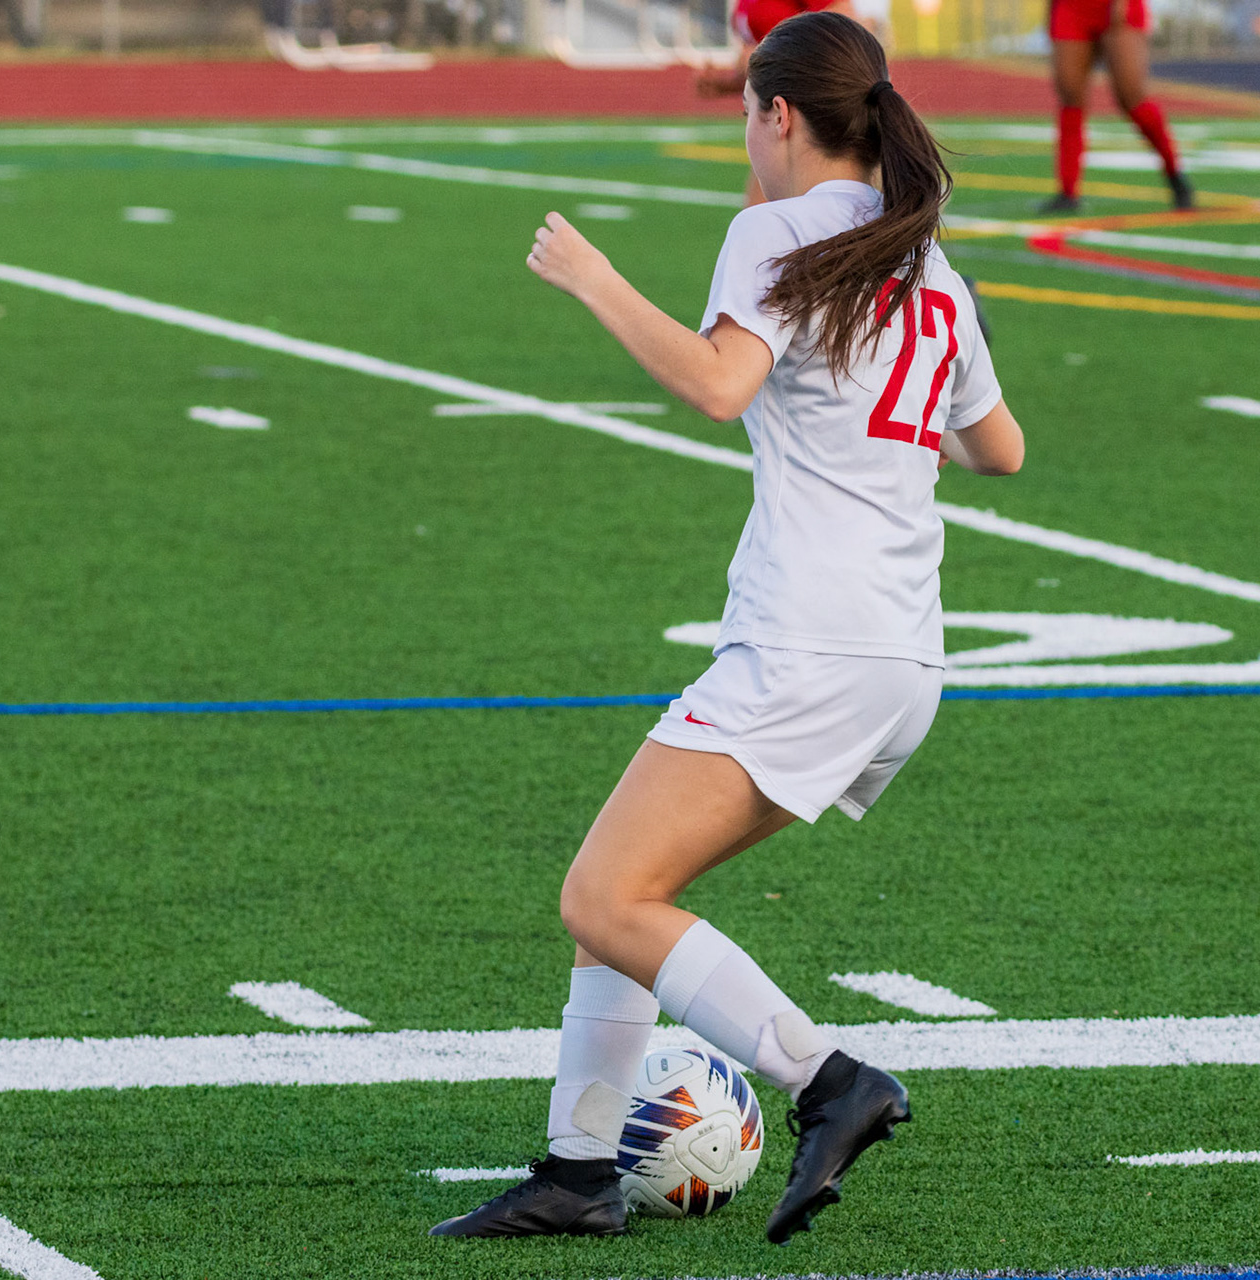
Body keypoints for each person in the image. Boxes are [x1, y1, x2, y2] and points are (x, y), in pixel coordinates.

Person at [428, 10, 1024, 1245]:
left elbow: (717, 383)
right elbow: (1001, 450)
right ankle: (578, 1170)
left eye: (750, 118)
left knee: (601, 894)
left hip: (809, 641)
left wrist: (596, 280)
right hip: (903, 656)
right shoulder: (925, 261)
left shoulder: (777, 232)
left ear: (779, 115)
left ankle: (828, 1079)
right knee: (631, 892)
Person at [696, 0, 866, 205]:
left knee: (773, 215)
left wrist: (767, 53)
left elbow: (846, 23)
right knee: (762, 215)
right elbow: (766, 70)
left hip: (807, 116)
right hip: (775, 119)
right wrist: (724, 84)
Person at [1041, 0, 1194, 213]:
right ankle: (1068, 192)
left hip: (1113, 6)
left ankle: (1175, 174)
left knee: (1131, 98)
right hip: (1071, 7)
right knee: (1070, 96)